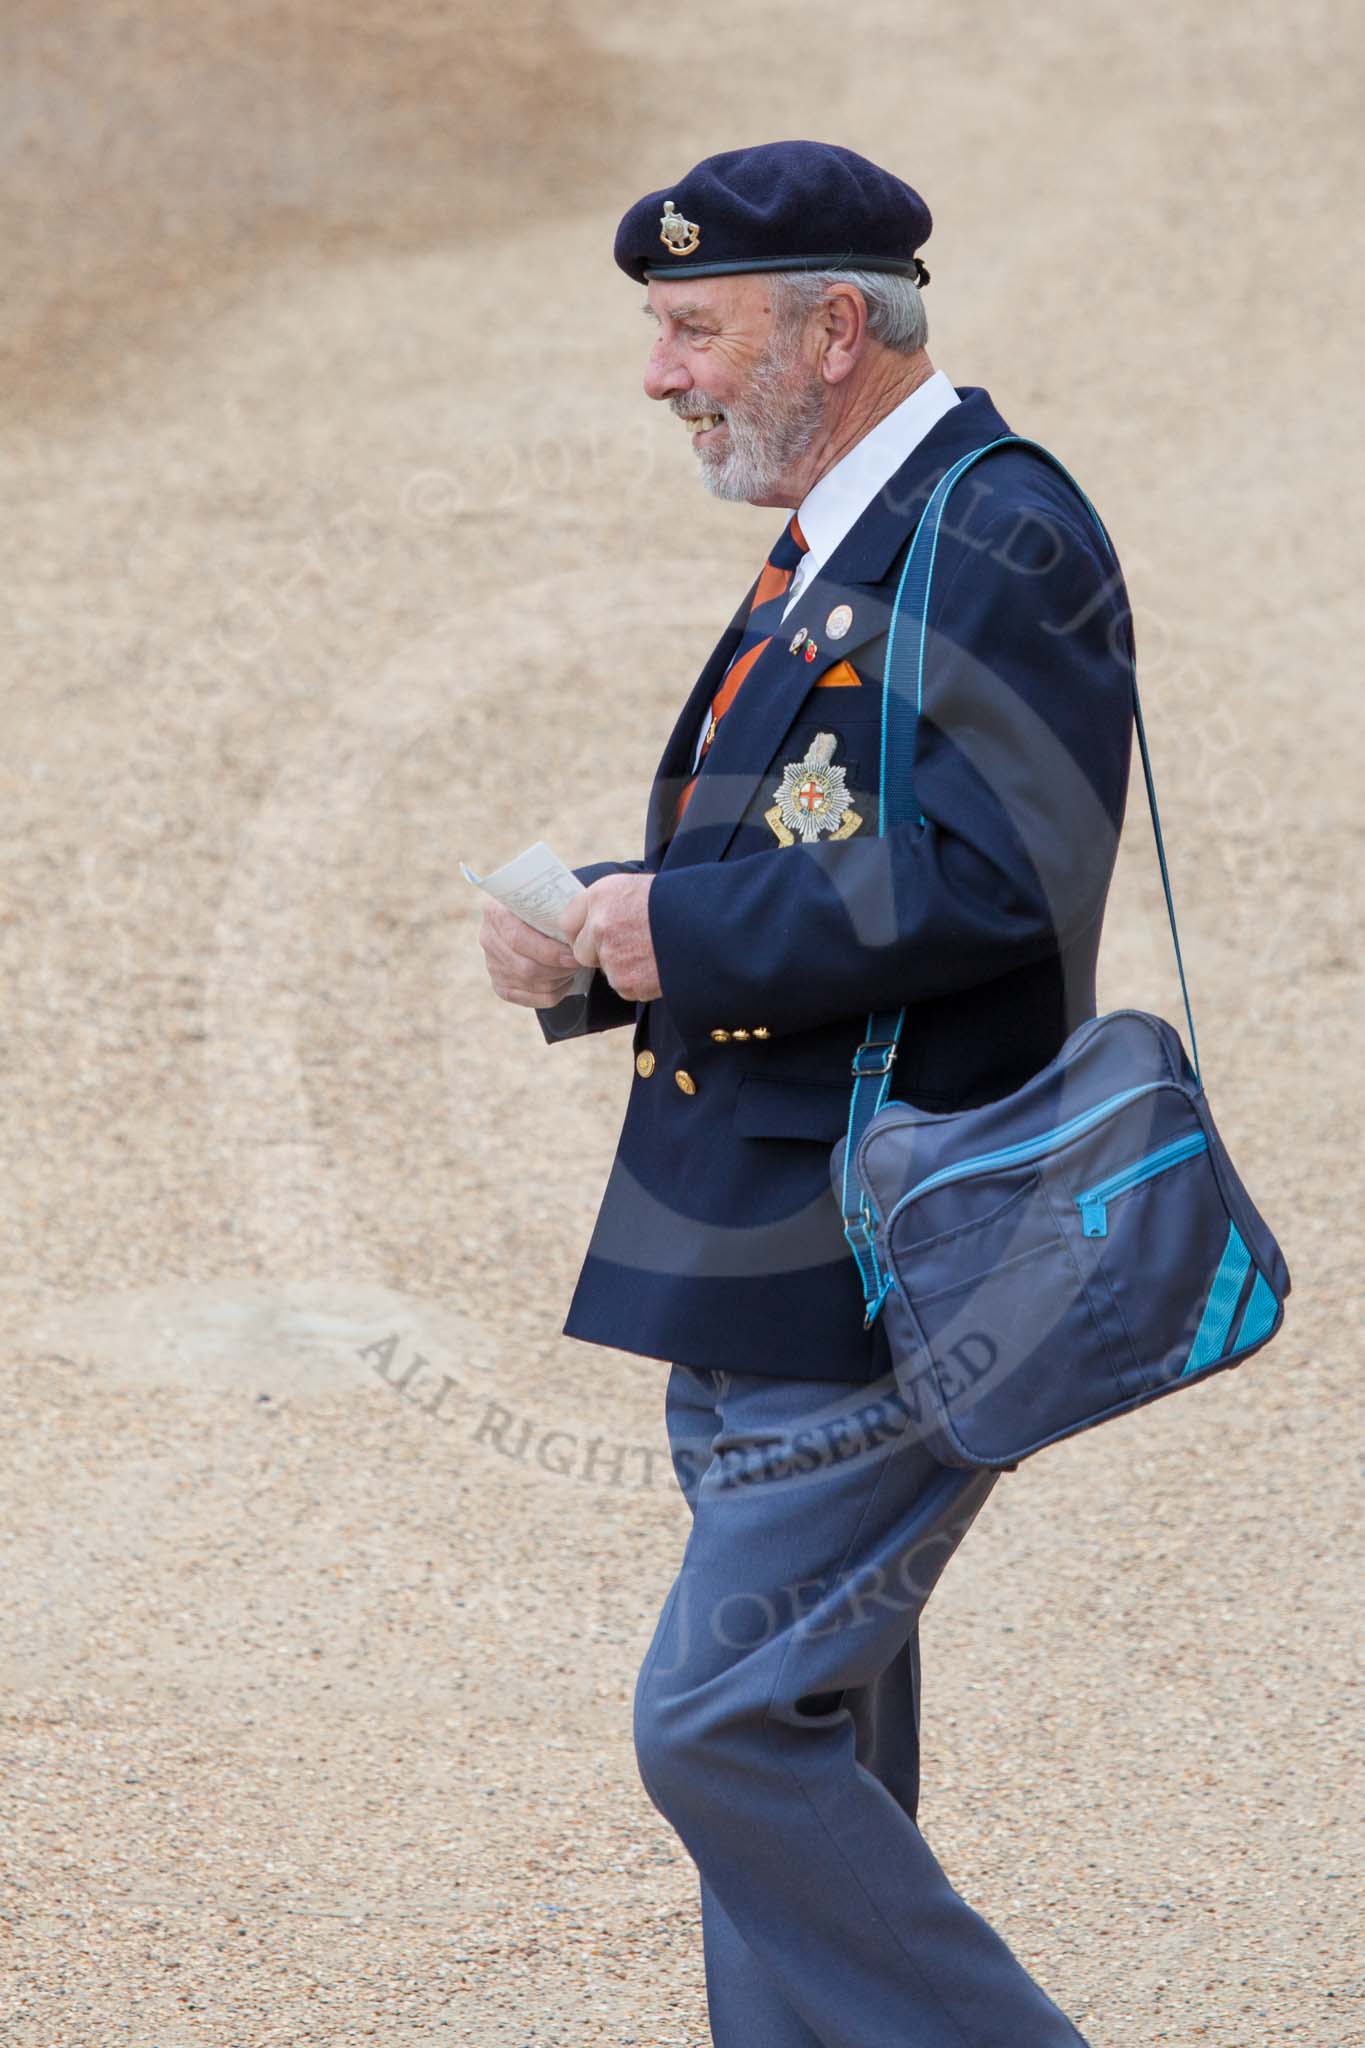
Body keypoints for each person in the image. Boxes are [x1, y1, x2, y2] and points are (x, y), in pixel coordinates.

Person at [478, 139, 1133, 2047]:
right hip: (768, 1234)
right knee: (808, 1734)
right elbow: (827, 840)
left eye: (694, 328)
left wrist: (681, 934)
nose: (660, 373)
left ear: (834, 328)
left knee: (721, 1726)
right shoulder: (859, 523)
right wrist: (613, 921)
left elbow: (1003, 874)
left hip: (878, 1245)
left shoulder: (997, 529)